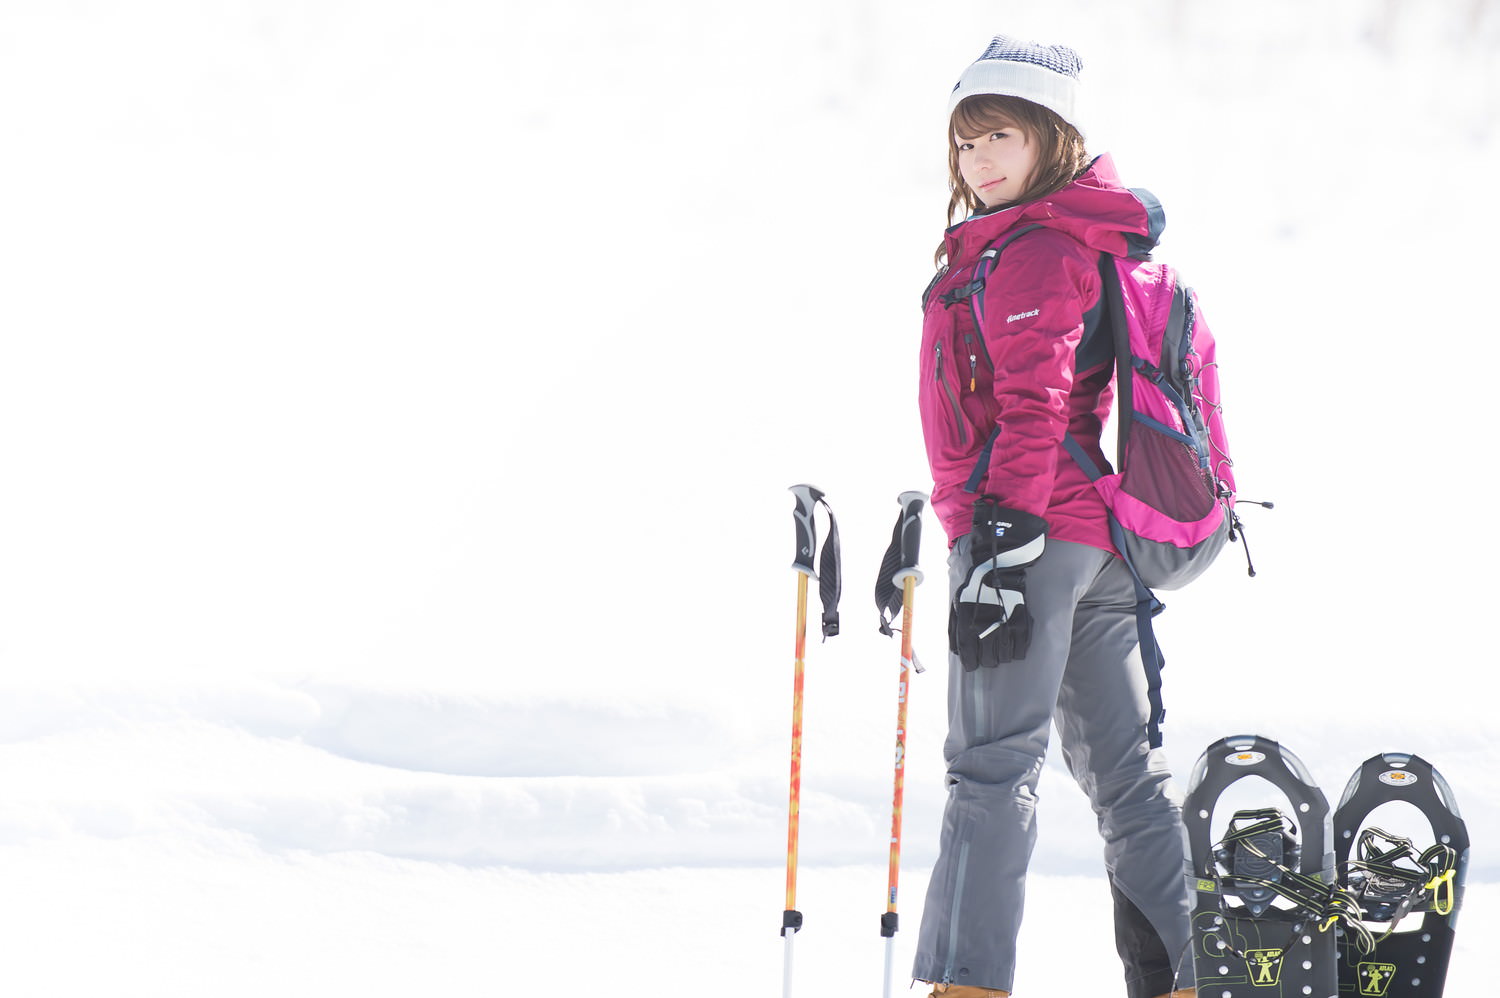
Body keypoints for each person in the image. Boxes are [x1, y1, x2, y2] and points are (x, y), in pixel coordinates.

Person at [911, 36, 1196, 998]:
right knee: (1124, 775)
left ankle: (967, 984)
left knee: (990, 770)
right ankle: (1184, 979)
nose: (976, 161)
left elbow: (1032, 408)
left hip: (1029, 537)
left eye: (999, 136)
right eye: (963, 144)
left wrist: (997, 539)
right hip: (1092, 540)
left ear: (1051, 138)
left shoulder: (1034, 249)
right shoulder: (1062, 236)